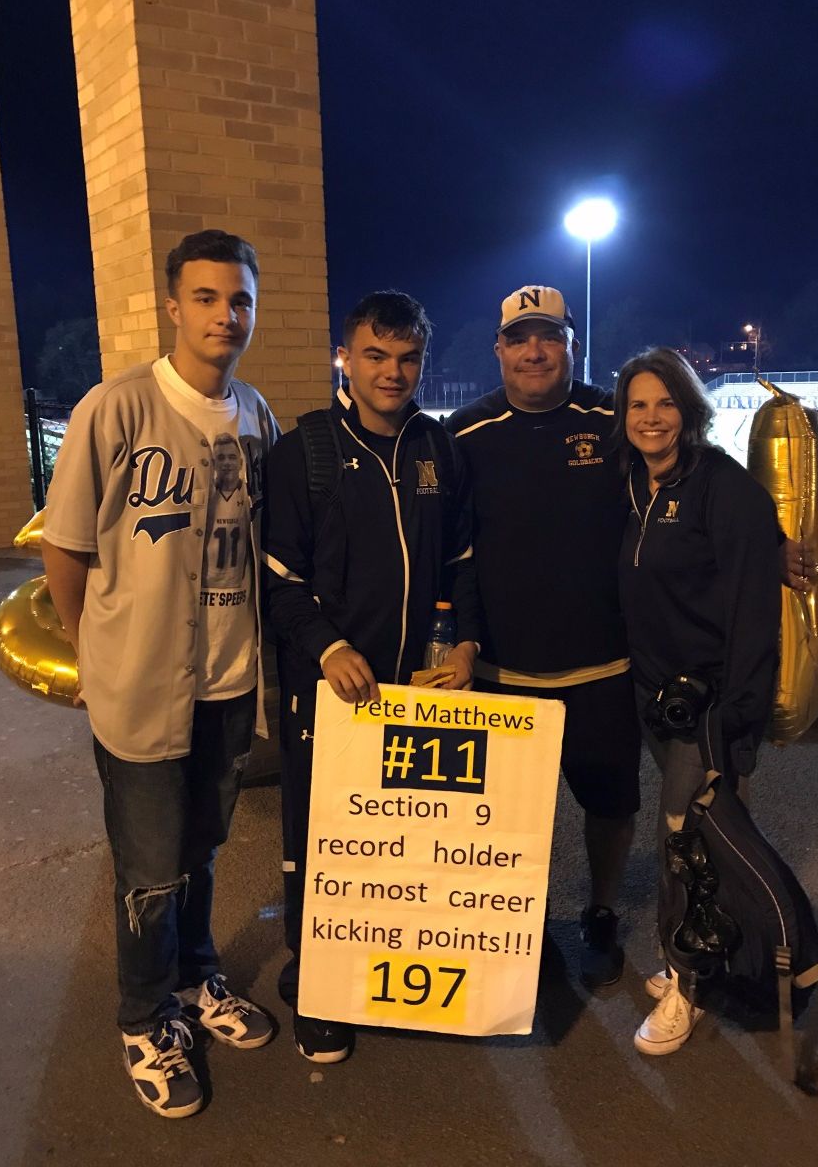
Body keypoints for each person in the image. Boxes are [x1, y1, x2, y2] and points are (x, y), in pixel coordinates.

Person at [41, 230, 280, 1119]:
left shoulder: (257, 416)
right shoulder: (117, 407)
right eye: (209, 297)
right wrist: (91, 654)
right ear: (174, 305)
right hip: (139, 688)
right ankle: (144, 1018)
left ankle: (198, 976)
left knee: (201, 851)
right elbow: (66, 549)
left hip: (224, 682)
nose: (227, 315)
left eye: (241, 300)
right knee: (146, 868)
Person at [263, 289, 480, 1064]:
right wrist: (325, 647)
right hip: (330, 692)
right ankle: (317, 987)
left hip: (417, 697)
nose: (393, 372)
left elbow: (461, 563)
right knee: (321, 843)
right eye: (377, 356)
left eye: (408, 357)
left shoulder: (438, 447)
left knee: (408, 842)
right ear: (345, 358)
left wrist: (462, 646)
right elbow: (279, 577)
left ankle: (394, 974)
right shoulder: (307, 451)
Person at [445, 285, 641, 989]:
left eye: (549, 336)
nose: (535, 351)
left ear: (572, 344)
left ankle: (601, 909)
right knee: (508, 818)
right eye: (520, 338)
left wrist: (766, 541)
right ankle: (514, 921)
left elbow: (693, 489)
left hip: (604, 667)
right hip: (504, 672)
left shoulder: (617, 420)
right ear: (497, 349)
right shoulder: (463, 435)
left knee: (612, 806)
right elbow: (450, 549)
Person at [613, 346, 781, 1055]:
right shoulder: (634, 485)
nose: (651, 418)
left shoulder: (723, 487)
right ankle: (693, 955)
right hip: (656, 695)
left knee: (683, 839)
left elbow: (752, 608)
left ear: (689, 408)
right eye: (638, 405)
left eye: (665, 403)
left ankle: (688, 982)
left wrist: (739, 719)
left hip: (709, 704)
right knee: (687, 837)